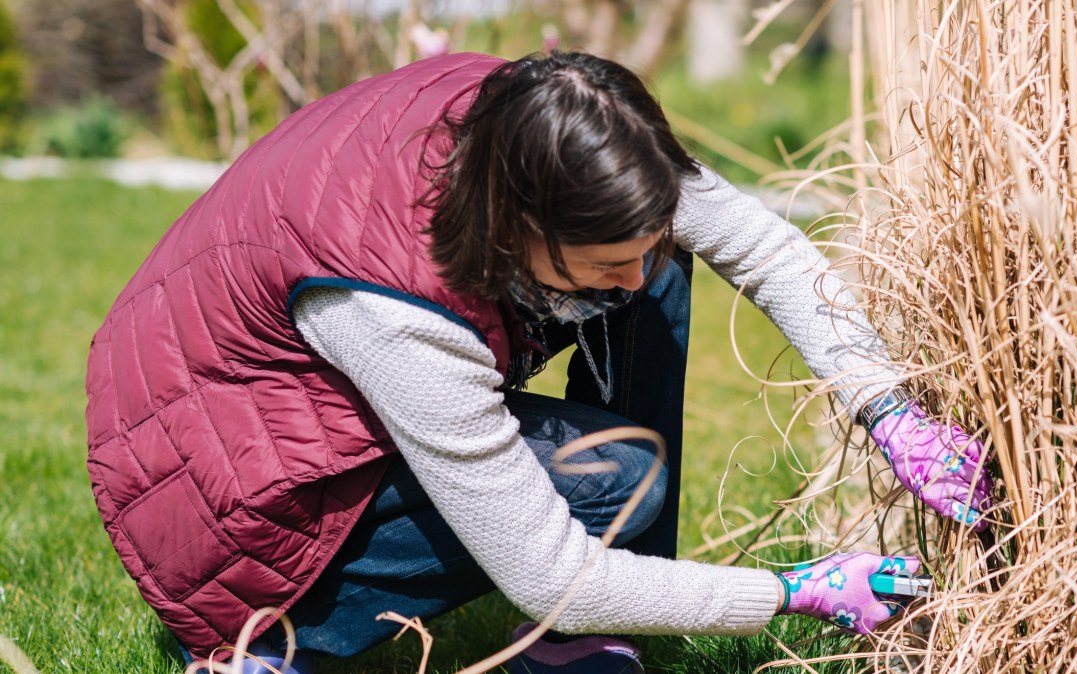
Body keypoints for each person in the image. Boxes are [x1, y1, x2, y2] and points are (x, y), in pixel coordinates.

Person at [84, 51, 992, 673]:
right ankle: (270, 641)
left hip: (270, 397)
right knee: (615, 472)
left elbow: (767, 249)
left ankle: (588, 643)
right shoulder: (395, 311)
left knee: (659, 274)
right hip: (227, 503)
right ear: (518, 231)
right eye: (602, 263)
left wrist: (888, 409)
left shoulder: (556, 132)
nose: (630, 280)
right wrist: (793, 592)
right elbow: (549, 572)